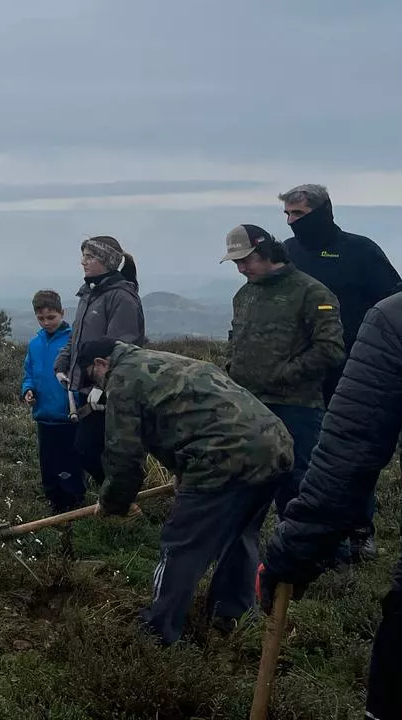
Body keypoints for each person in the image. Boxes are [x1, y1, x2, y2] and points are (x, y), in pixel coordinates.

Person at [260, 178, 402, 720]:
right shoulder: (288, 256)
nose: (291, 220)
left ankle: (361, 538)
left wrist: (291, 552)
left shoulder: (397, 311)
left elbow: (346, 462)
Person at [81, 337, 293, 644]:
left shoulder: (123, 380)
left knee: (181, 544)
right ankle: (230, 614)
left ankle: (158, 631)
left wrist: (113, 502)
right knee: (241, 534)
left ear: (101, 364)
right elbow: (191, 413)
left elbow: (125, 458)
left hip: (222, 458)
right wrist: (182, 469)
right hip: (274, 446)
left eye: (92, 375)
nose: (96, 382)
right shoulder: (163, 360)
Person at [281, 182, 401, 558]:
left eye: (297, 214)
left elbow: (393, 302)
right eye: (286, 215)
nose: (290, 222)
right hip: (303, 371)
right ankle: (313, 531)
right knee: (308, 452)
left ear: (320, 212)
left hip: (355, 368)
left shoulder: (360, 250)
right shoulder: (288, 252)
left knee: (354, 450)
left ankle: (360, 528)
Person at [221, 224, 344, 516]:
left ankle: (318, 551)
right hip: (250, 405)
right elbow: (235, 337)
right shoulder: (244, 295)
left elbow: (331, 349)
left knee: (301, 481)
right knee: (251, 479)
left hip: (296, 406)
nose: (240, 269)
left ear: (265, 252)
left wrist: (283, 374)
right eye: (236, 262)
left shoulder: (312, 292)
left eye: (245, 260)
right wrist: (232, 367)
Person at [54, 236, 145, 482]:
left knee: (95, 450)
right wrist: (62, 363)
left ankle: (123, 502)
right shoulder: (89, 294)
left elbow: (121, 347)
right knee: (90, 450)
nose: (82, 262)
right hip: (85, 386)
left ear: (106, 261)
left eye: (89, 257)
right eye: (83, 255)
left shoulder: (121, 297)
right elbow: (76, 336)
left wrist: (101, 387)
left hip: (107, 392)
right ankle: (116, 501)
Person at [20, 290, 84, 514]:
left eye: (51, 317)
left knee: (69, 461)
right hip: (44, 415)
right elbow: (29, 372)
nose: (46, 322)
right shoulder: (35, 344)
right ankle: (53, 498)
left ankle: (74, 500)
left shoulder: (73, 340)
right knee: (48, 461)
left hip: (68, 416)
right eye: (41, 318)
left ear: (62, 313)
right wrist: (28, 389)